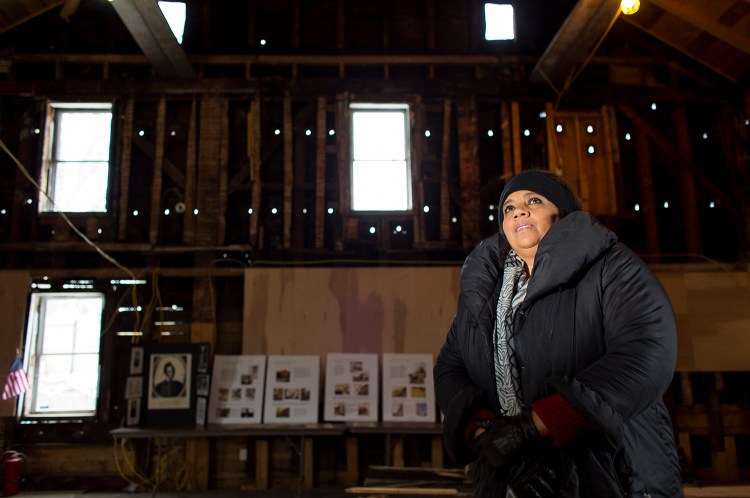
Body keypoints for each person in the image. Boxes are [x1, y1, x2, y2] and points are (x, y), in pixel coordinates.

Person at [434, 169, 682, 497]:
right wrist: (488, 437)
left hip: (612, 476)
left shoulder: (610, 266)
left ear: (562, 213)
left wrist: (534, 426)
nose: (518, 210)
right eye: (508, 208)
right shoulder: (485, 293)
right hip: (509, 480)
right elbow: (450, 368)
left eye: (533, 201)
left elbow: (647, 351)